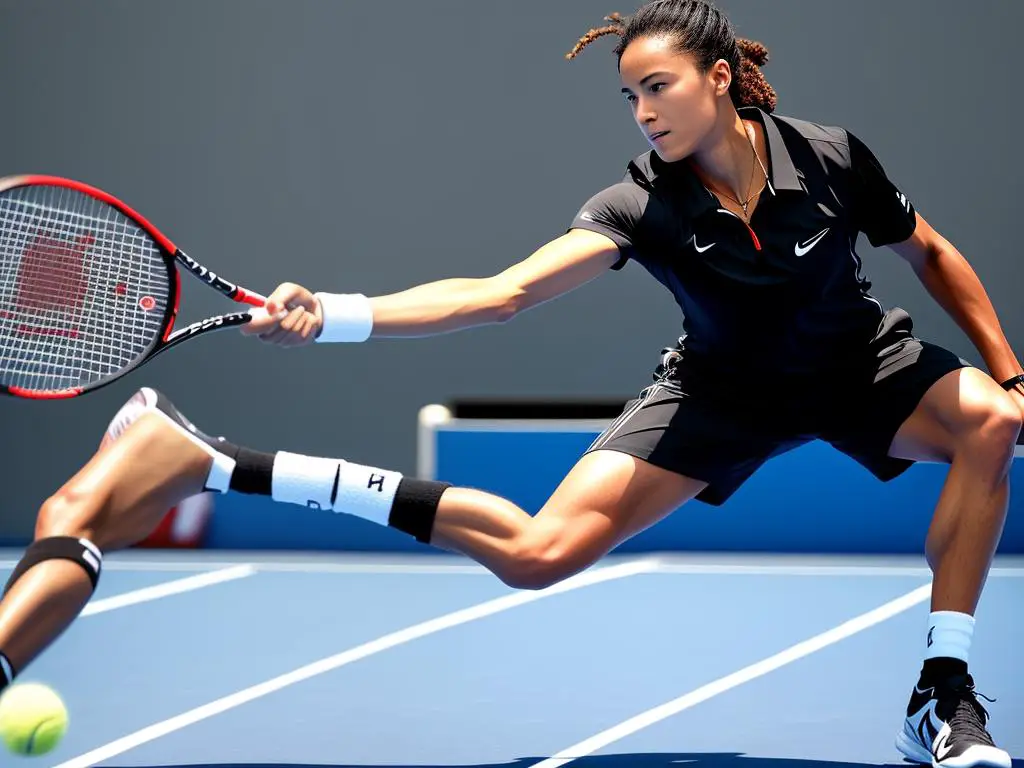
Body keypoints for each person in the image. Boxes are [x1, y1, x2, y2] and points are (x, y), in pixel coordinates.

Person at [0, 1, 1019, 763]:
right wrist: (337, 315)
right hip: (721, 394)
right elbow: (496, 295)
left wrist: (1011, 372)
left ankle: (943, 689)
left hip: (859, 365)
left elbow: (927, 252)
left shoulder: (831, 158)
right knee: (536, 556)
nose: (640, 109)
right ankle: (207, 462)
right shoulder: (639, 202)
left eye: (656, 86)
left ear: (718, 77)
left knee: (984, 422)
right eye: (628, 95)